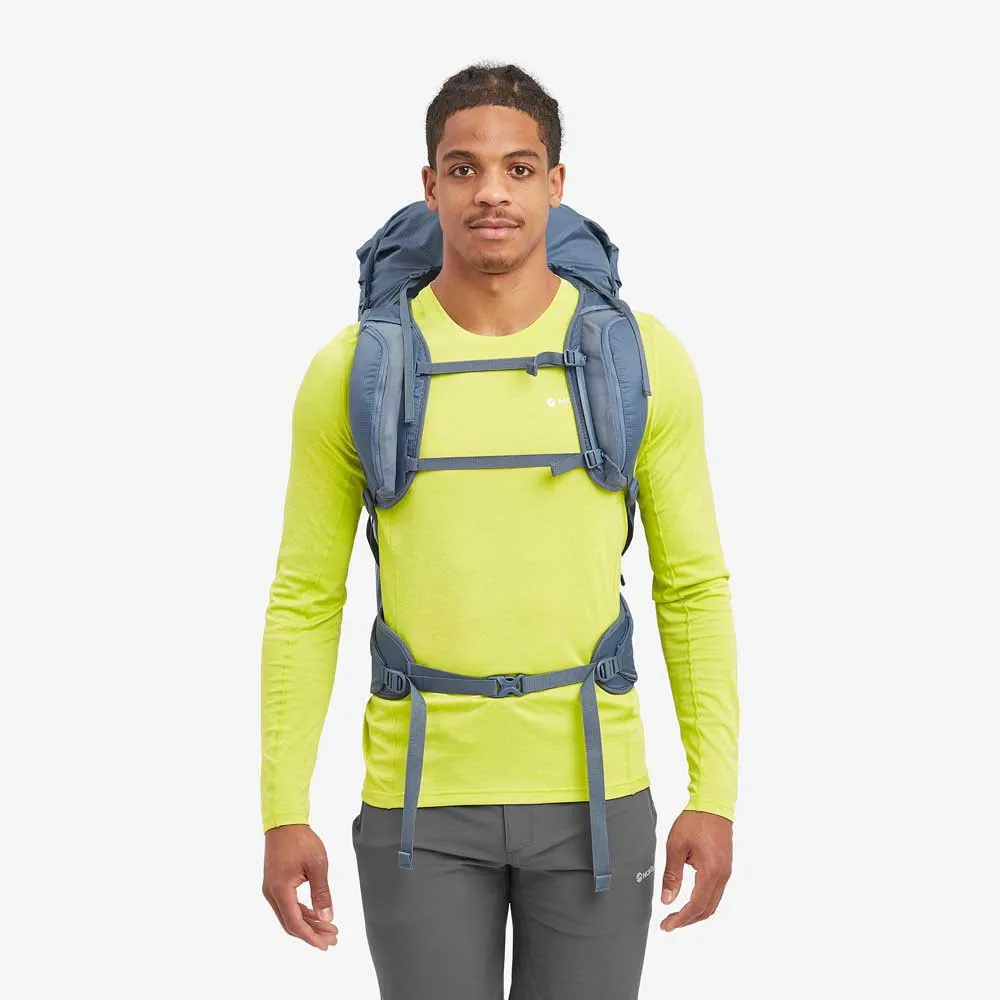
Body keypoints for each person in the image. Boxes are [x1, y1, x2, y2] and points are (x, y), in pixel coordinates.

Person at [260, 62, 739, 1000]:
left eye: (519, 169)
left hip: (599, 797)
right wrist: (283, 808)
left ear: (555, 185)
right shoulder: (352, 371)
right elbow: (305, 598)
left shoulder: (642, 359)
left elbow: (693, 586)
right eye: (464, 168)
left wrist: (712, 793)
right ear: (429, 184)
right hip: (416, 806)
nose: (491, 192)